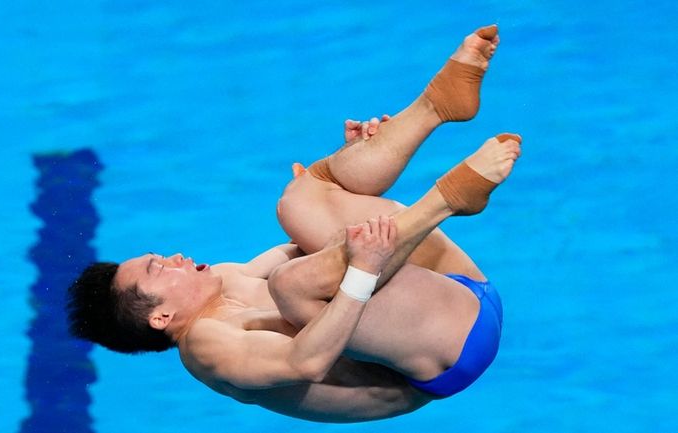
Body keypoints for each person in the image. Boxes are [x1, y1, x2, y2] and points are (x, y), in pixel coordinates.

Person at [67, 25, 522, 422]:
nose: (176, 257)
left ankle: (436, 105)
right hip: (447, 353)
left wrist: (345, 168)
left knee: (299, 200)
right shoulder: (207, 349)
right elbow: (306, 363)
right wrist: (362, 270)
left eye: (160, 257)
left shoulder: (224, 279)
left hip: (458, 291)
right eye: (159, 269)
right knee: (291, 285)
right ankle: (447, 199)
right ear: (161, 317)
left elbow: (304, 241)